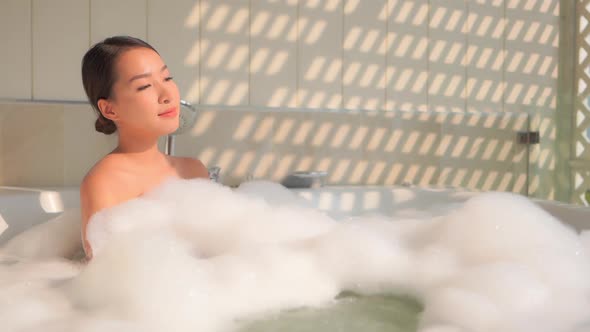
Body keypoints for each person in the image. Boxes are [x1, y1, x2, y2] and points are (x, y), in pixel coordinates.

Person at [79, 36, 209, 259]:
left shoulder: (193, 171)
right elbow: (107, 275)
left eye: (167, 78)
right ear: (110, 110)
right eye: (144, 86)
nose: (167, 95)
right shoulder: (104, 182)